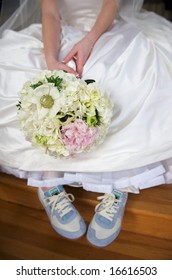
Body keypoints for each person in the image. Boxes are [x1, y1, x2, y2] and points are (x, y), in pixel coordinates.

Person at [0, 0, 172, 247]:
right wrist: (51, 61)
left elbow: (109, 7)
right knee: (49, 85)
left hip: (104, 30)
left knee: (119, 77)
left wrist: (90, 41)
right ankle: (49, 183)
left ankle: (119, 186)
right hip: (62, 32)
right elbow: (50, 13)